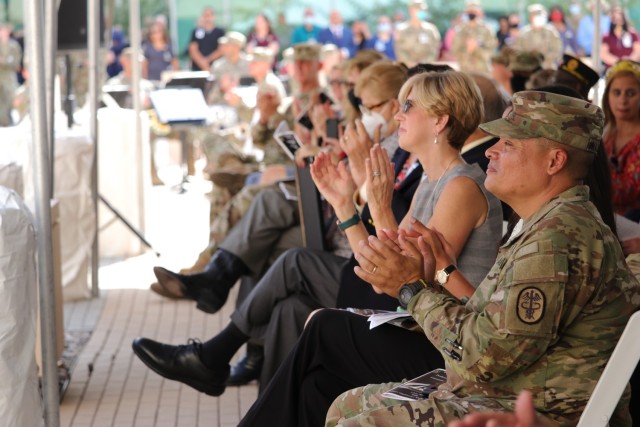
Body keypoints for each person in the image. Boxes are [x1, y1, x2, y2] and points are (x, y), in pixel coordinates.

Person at [321, 91, 639, 426]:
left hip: (529, 413)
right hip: (497, 393)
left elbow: (485, 359)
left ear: (554, 161)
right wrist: (439, 274)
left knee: (353, 421)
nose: (491, 149)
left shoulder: (557, 240)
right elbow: (490, 328)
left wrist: (411, 289)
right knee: (343, 405)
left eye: (509, 143)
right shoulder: (547, 223)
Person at [238, 70, 505, 427]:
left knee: (323, 329)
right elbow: (380, 272)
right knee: (318, 385)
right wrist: (345, 207)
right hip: (423, 327)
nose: (398, 115)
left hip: (449, 346)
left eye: (409, 106)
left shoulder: (461, 186)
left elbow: (408, 278)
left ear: (440, 121)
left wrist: (380, 209)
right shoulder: (433, 180)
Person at [601, 59, 640, 218]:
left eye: (631, 93)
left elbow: (629, 192)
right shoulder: (604, 131)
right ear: (607, 95)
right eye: (616, 92)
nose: (622, 100)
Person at [451, 0, 497, 75]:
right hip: (465, 70)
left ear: (479, 12)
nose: (472, 13)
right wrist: (468, 51)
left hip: (482, 71)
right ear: (465, 12)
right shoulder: (460, 30)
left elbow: (491, 52)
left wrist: (476, 49)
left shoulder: (487, 30)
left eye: (474, 11)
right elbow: (454, 51)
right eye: (470, 11)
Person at [513, 4, 563, 69]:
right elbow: (517, 51)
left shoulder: (551, 32)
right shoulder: (523, 33)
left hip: (547, 68)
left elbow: (557, 50)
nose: (538, 18)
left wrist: (545, 58)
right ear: (530, 17)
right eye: (535, 15)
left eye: (540, 15)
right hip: (528, 69)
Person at [394, 0, 441, 67]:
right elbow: (399, 49)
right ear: (411, 10)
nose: (421, 12)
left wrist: (425, 63)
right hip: (407, 68)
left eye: (423, 10)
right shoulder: (401, 30)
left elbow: (435, 48)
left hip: (426, 69)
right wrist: (410, 63)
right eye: (418, 9)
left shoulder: (431, 30)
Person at [188, 7, 225, 71]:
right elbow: (193, 49)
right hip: (198, 68)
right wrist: (202, 63)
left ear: (214, 16)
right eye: (205, 15)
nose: (207, 18)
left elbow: (222, 49)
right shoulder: (196, 31)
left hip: (216, 67)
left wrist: (207, 60)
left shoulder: (220, 32)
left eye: (209, 15)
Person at [0, 22, 21, 126]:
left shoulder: (13, 46)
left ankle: (7, 119)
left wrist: (4, 61)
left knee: (10, 98)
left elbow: (15, 62)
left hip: (9, 76)